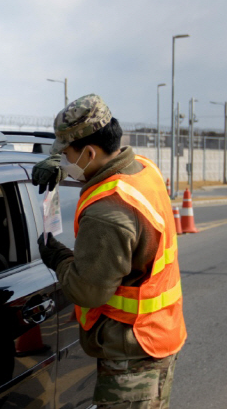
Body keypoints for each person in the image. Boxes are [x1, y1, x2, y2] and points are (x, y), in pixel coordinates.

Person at [33, 94, 186, 408]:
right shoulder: (143, 168)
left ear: (90, 151)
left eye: (65, 154)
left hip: (134, 354)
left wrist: (58, 257)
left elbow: (88, 291)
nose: (62, 159)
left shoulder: (108, 213)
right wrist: (62, 168)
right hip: (157, 332)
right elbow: (103, 172)